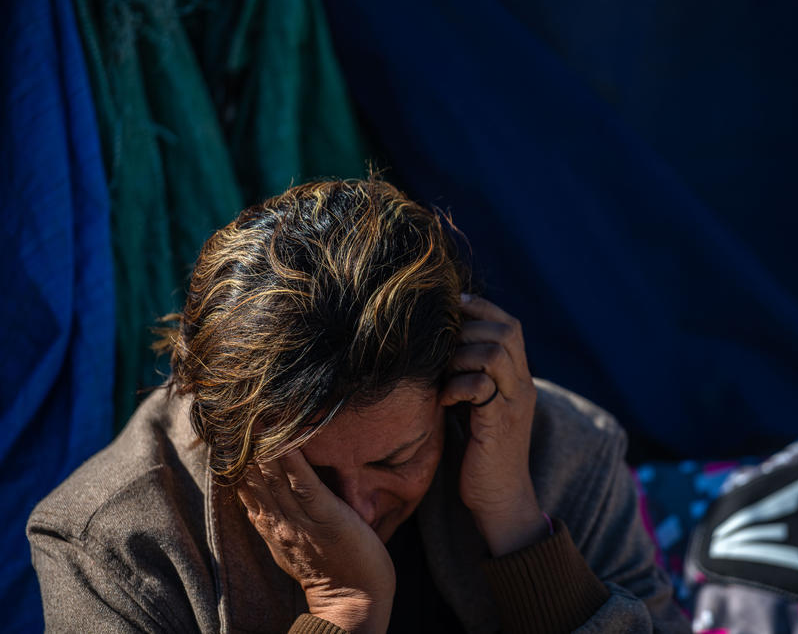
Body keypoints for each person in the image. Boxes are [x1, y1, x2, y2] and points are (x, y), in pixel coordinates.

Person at [27, 179, 690, 633]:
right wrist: (343, 609)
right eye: (309, 476)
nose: (357, 510)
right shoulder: (110, 542)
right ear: (228, 435)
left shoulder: (557, 447)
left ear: (450, 395)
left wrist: (517, 525)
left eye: (396, 457)